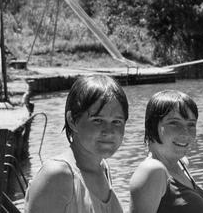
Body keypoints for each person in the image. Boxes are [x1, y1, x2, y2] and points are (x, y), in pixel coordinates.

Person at [25, 75, 128, 213]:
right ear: (72, 120)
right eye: (97, 120)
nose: (109, 132)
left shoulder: (103, 168)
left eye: (117, 121)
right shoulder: (57, 176)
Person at [130, 90, 203, 213]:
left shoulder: (180, 164)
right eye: (174, 123)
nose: (185, 132)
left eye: (191, 124)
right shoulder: (152, 170)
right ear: (152, 125)